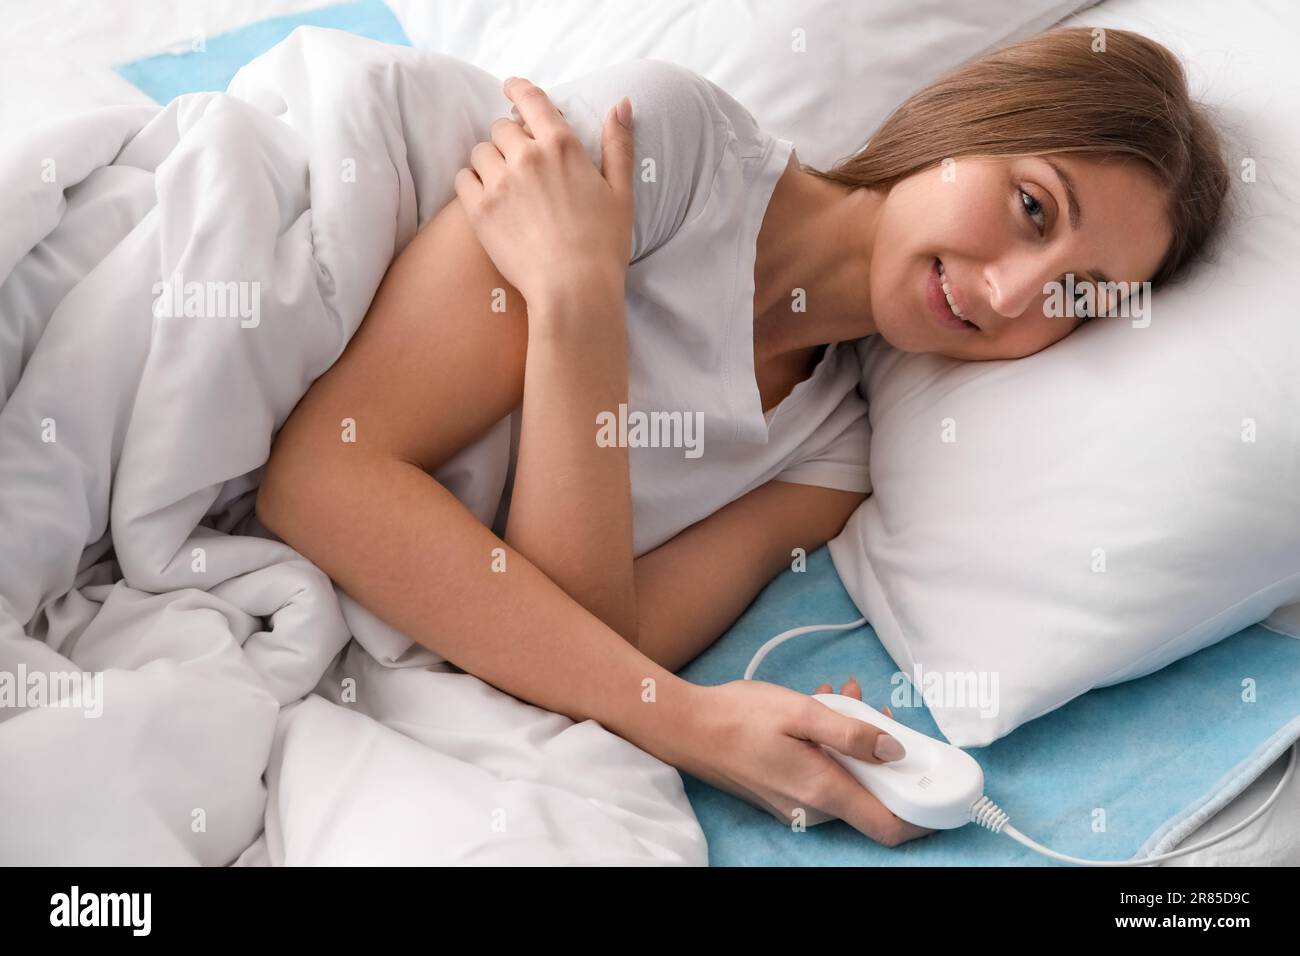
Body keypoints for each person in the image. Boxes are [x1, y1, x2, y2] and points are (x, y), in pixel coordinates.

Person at [255, 27, 1228, 847]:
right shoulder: (666, 146)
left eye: (1076, 295)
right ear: (965, 127)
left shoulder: (834, 454)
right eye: (1031, 207)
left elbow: (594, 648)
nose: (1013, 292)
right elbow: (319, 475)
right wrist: (694, 725)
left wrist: (578, 299)